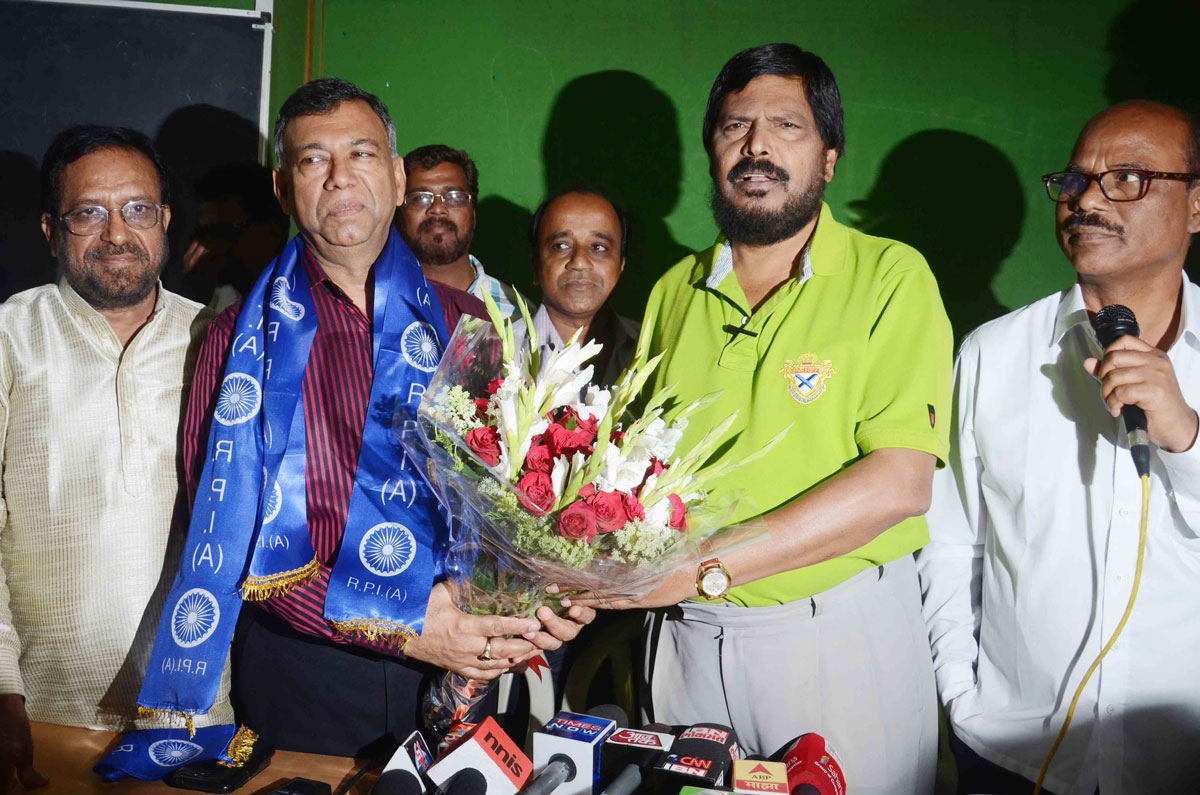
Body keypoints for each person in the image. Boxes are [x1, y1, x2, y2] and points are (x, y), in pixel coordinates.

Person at [150, 78, 590, 757]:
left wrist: (547, 594)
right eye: (313, 159)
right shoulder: (238, 340)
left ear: (395, 174)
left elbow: (519, 491)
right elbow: (222, 531)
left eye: (360, 153)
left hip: (461, 662)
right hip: (308, 669)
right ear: (282, 188)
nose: (339, 177)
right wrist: (403, 623)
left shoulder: (470, 324)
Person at [566, 44, 951, 792]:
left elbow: (900, 483)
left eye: (787, 126)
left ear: (829, 158)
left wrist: (702, 567)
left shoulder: (890, 276)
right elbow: (638, 480)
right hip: (680, 641)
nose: (757, 147)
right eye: (735, 126)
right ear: (711, 151)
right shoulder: (674, 290)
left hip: (832, 638)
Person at [918, 101, 1200, 794]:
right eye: (1075, 181)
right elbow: (951, 543)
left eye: (1127, 178)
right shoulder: (992, 353)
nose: (1087, 201)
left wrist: (1186, 438)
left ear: (1196, 206)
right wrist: (962, 700)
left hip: (1180, 761)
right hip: (1011, 755)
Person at [0, 125, 233, 790]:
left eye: (137, 209)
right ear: (51, 230)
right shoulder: (11, 337)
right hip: (37, 721)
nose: (116, 233)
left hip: (192, 718)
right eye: (88, 213)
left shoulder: (218, 341)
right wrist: (2, 689)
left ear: (164, 220)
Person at [524, 188, 639, 387]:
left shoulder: (653, 349)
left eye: (598, 247)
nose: (579, 262)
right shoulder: (491, 353)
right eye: (561, 246)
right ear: (536, 266)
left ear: (621, 267)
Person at [397, 145, 524, 317]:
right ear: (398, 212)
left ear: (473, 214)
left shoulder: (517, 317)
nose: (438, 209)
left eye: (455, 197)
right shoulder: (373, 305)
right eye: (420, 198)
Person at [181, 161, 290, 313]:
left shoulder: (299, 306)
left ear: (271, 232)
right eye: (203, 233)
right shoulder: (214, 301)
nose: (209, 247)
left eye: (223, 232)